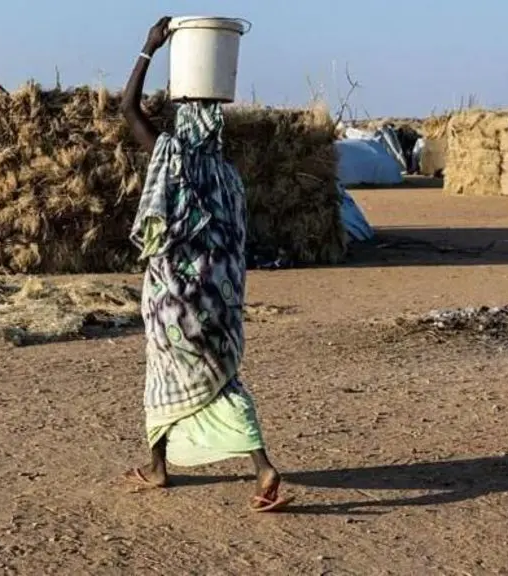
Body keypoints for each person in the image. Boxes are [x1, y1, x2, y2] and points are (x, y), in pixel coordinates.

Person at [119, 16, 293, 513]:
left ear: (183, 123)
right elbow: (238, 242)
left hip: (173, 300)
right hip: (220, 301)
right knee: (220, 377)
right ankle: (260, 466)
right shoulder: (227, 175)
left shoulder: (171, 155)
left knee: (164, 376)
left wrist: (150, 47)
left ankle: (158, 467)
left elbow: (126, 107)